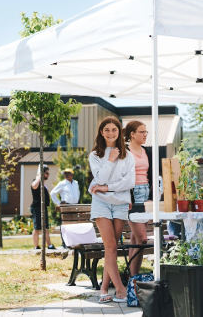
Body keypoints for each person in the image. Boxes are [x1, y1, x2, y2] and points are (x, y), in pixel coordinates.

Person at [88, 117, 135, 304]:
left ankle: (103, 288)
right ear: (101, 132)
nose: (110, 133)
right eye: (106, 130)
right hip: (101, 203)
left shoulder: (128, 155)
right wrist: (110, 159)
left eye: (114, 130)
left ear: (119, 132)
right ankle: (121, 290)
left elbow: (129, 182)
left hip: (121, 202)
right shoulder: (94, 155)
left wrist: (108, 187)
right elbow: (99, 179)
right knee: (111, 247)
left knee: (112, 248)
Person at [124, 120, 153, 277]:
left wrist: (152, 197)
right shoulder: (125, 152)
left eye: (146, 132)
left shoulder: (147, 151)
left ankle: (131, 277)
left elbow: (152, 175)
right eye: (142, 132)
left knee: (135, 239)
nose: (145, 135)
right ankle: (133, 278)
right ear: (132, 134)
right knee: (142, 239)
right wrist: (128, 198)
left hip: (145, 194)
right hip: (132, 196)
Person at [30, 166, 56, 250]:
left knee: (46, 228)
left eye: (48, 173)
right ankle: (36, 247)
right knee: (37, 228)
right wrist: (38, 177)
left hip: (43, 208)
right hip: (37, 208)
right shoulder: (36, 182)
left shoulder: (43, 184)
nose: (48, 175)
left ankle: (49, 245)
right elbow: (33, 186)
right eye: (46, 173)